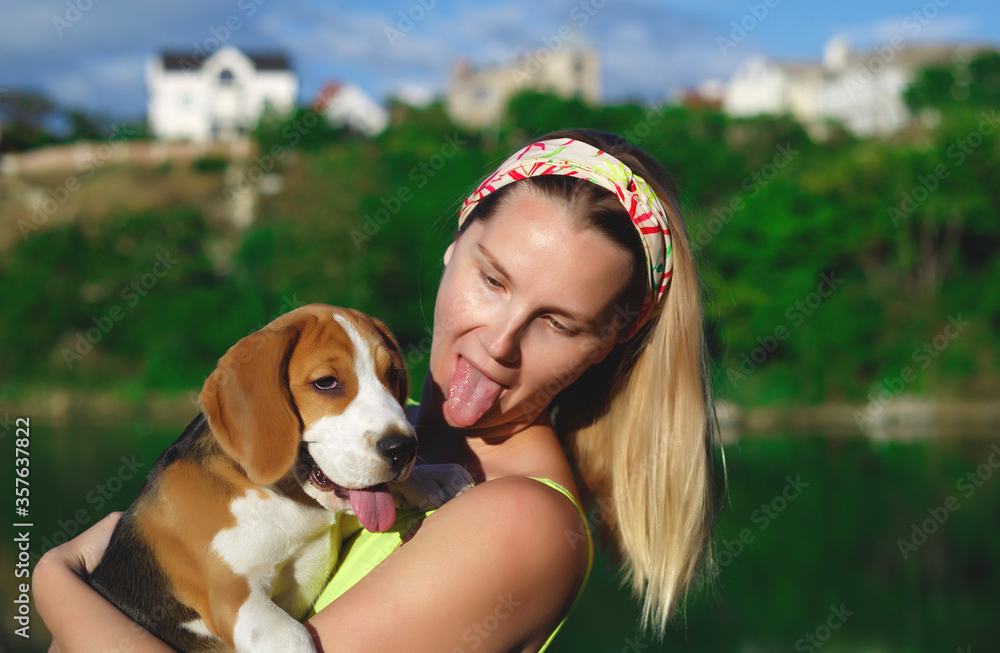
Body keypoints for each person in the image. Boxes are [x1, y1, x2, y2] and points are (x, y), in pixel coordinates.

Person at [34, 129, 719, 653]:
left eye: (557, 323)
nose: (498, 342)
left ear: (611, 341)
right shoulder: (356, 452)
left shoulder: (519, 525)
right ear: (457, 238)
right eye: (493, 281)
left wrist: (56, 582)